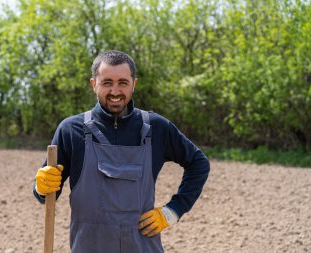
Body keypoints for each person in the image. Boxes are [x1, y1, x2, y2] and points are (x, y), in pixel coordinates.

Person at [33, 50, 210, 252]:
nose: (115, 91)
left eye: (123, 83)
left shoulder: (156, 127)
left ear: (134, 84)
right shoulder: (71, 130)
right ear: (94, 85)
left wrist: (172, 211)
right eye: (107, 82)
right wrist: (41, 187)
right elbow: (46, 196)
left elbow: (199, 163)